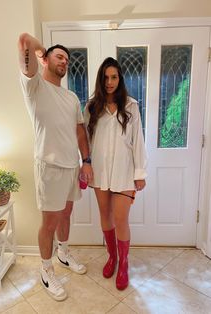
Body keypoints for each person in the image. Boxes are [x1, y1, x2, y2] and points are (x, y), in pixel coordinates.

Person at [18, 33, 93, 301]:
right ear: (46, 59)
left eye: (67, 59)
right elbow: (25, 40)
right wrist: (40, 52)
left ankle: (63, 253)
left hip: (72, 165)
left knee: (66, 213)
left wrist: (86, 161)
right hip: (49, 166)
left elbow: (80, 131)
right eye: (59, 56)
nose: (65, 61)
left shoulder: (71, 96)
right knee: (49, 222)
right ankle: (46, 270)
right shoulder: (34, 86)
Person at [84, 57, 147, 290]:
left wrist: (140, 173)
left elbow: (138, 141)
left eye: (114, 77)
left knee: (121, 218)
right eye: (106, 77)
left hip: (124, 171)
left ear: (120, 79)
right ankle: (112, 256)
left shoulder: (131, 106)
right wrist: (86, 163)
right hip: (100, 171)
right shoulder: (92, 107)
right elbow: (86, 141)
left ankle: (123, 264)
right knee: (105, 214)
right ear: (101, 79)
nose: (110, 82)